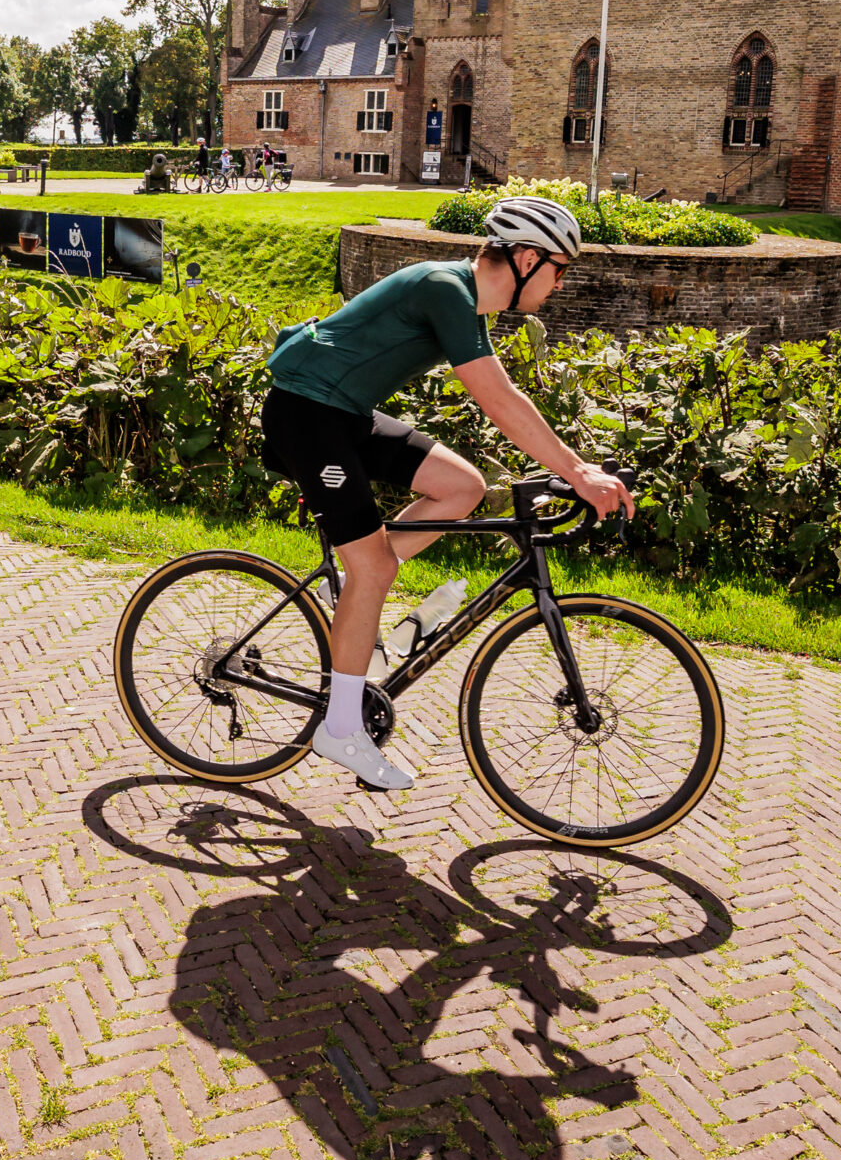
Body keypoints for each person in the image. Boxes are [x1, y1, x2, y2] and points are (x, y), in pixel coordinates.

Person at [259, 195, 631, 789]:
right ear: (528, 259)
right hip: (306, 415)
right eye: (559, 269)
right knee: (375, 567)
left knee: (462, 487)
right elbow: (499, 399)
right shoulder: (444, 288)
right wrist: (579, 471)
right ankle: (340, 727)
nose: (559, 284)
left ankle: (356, 595)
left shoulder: (466, 303)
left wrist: (574, 467)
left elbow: (502, 401)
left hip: (343, 414)